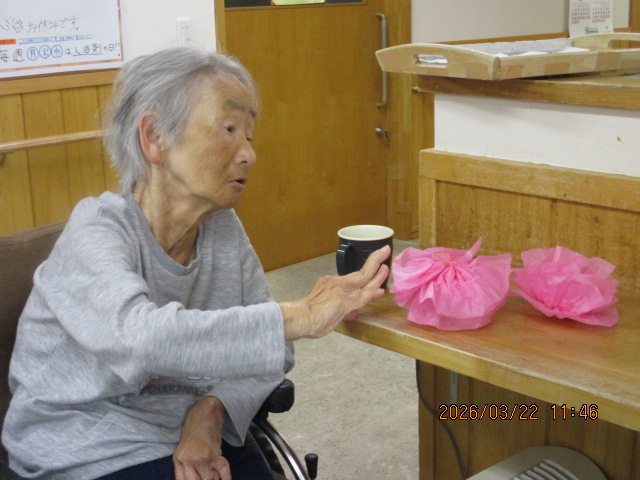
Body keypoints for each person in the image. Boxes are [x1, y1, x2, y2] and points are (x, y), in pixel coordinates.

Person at [1, 47, 389, 480]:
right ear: (155, 137)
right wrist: (302, 314)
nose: (249, 154)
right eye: (229, 129)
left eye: (249, 135)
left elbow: (272, 351)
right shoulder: (97, 230)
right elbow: (138, 340)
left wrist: (212, 410)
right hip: (89, 446)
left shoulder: (221, 227)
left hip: (191, 433)